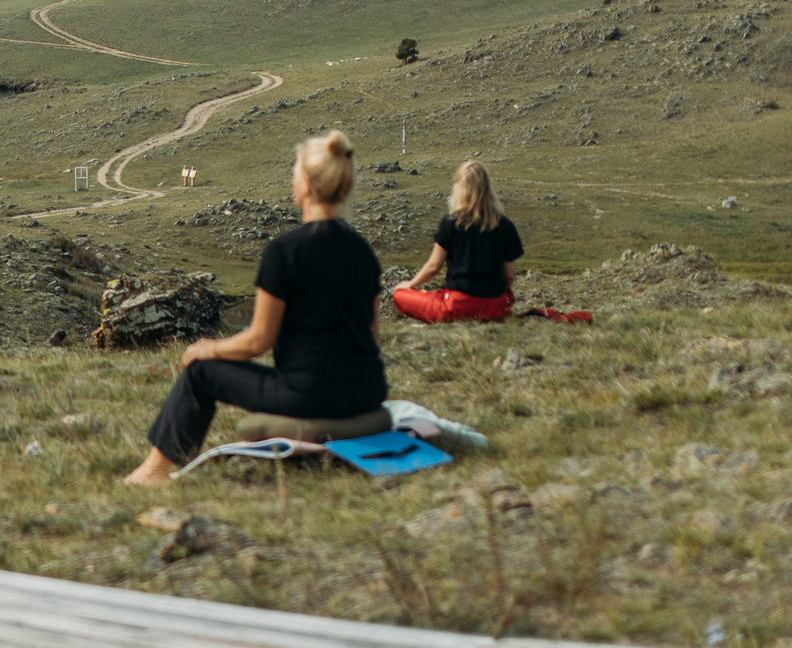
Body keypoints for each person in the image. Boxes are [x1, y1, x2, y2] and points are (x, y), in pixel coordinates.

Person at [125, 132, 386, 487]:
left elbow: (258, 341)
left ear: (305, 185)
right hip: (368, 392)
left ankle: (155, 471)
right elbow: (372, 337)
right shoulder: (362, 251)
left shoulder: (285, 252)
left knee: (200, 373)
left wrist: (210, 348)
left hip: (308, 395)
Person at [392, 161, 523, 322]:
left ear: (460, 188)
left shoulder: (451, 223)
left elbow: (434, 266)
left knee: (400, 295)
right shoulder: (505, 225)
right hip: (494, 307)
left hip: (456, 306)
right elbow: (509, 274)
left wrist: (411, 284)